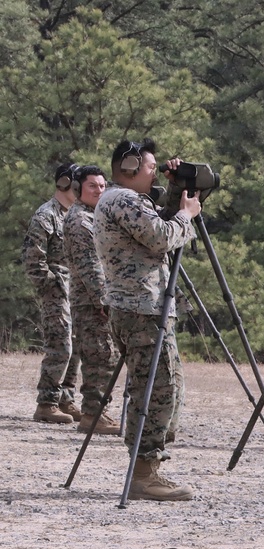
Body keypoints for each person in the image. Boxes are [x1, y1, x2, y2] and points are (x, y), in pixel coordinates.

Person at [94, 139, 202, 501]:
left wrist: (175, 191)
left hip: (139, 306)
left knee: (158, 384)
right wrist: (188, 215)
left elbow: (158, 222)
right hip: (141, 308)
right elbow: (160, 236)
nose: (155, 172)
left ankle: (148, 468)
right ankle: (143, 473)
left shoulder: (124, 200)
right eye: (151, 167)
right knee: (157, 388)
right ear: (127, 167)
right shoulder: (123, 199)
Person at [22, 163, 83, 424]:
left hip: (76, 291)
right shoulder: (46, 215)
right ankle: (46, 403)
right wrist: (52, 287)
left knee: (77, 346)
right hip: (56, 290)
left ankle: (64, 398)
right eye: (78, 182)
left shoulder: (77, 215)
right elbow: (33, 261)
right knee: (61, 347)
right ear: (65, 183)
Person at [63, 165, 119, 436]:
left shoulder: (94, 215)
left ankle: (96, 411)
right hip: (90, 301)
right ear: (78, 190)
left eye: (101, 185)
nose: (99, 190)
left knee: (104, 354)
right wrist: (104, 301)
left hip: (97, 298)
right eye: (92, 186)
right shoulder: (79, 221)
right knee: (99, 355)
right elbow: (89, 267)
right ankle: (93, 414)